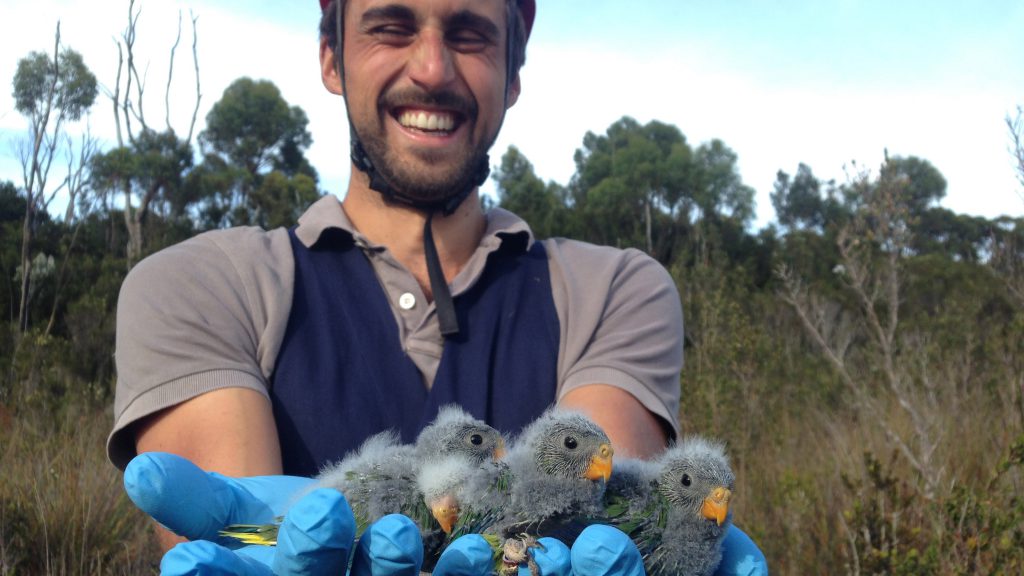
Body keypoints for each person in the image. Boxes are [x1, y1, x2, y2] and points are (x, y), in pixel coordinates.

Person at [109, 0, 768, 574]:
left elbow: (589, 528)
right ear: (331, 53)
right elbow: (248, 545)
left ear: (514, 62)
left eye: (470, 33)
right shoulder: (198, 287)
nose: (431, 69)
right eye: (391, 27)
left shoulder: (615, 292)